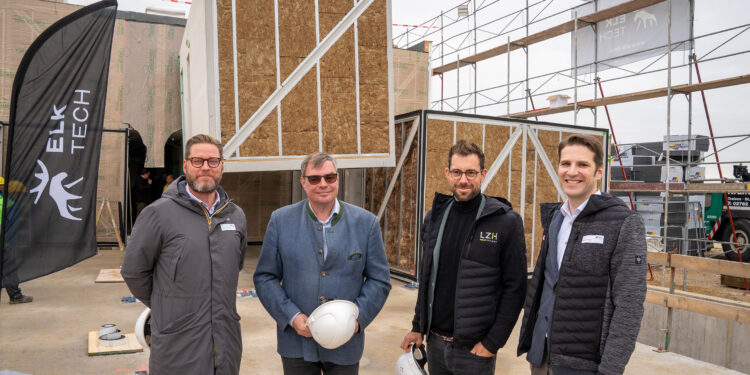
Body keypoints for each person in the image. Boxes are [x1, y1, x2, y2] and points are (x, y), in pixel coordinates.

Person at [517, 134, 647, 375]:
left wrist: (611, 369)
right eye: (566, 164)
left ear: (599, 172)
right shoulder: (556, 218)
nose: (572, 171)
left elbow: (629, 305)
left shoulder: (623, 223)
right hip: (543, 358)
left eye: (582, 165)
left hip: (585, 365)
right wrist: (533, 344)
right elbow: (546, 284)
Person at [254, 152, 391, 375]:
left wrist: (355, 321)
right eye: (315, 179)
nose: (323, 184)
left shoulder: (366, 223)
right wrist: (292, 317)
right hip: (296, 343)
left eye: (330, 177)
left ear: (338, 179)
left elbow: (379, 280)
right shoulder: (281, 221)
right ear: (303, 182)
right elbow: (265, 277)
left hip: (345, 344)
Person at [121, 134, 247, 374]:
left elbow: (235, 264)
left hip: (225, 341)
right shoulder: (158, 214)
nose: (205, 168)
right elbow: (133, 271)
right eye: (198, 161)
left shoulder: (236, 216)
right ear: (186, 165)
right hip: (178, 342)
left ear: (222, 165)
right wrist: (169, 304)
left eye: (213, 161)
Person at [401, 140, 527, 375]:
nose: (463, 180)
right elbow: (427, 278)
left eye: (471, 172)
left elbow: (516, 288)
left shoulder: (505, 222)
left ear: (483, 174)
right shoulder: (434, 218)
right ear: (448, 173)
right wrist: (418, 327)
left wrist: (492, 343)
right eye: (457, 172)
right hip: (435, 342)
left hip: (474, 350)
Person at [0, 177, 33, 304]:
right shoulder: (7, 202)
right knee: (10, 268)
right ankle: (15, 296)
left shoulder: (7, 201)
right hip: (5, 241)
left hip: (6, 239)